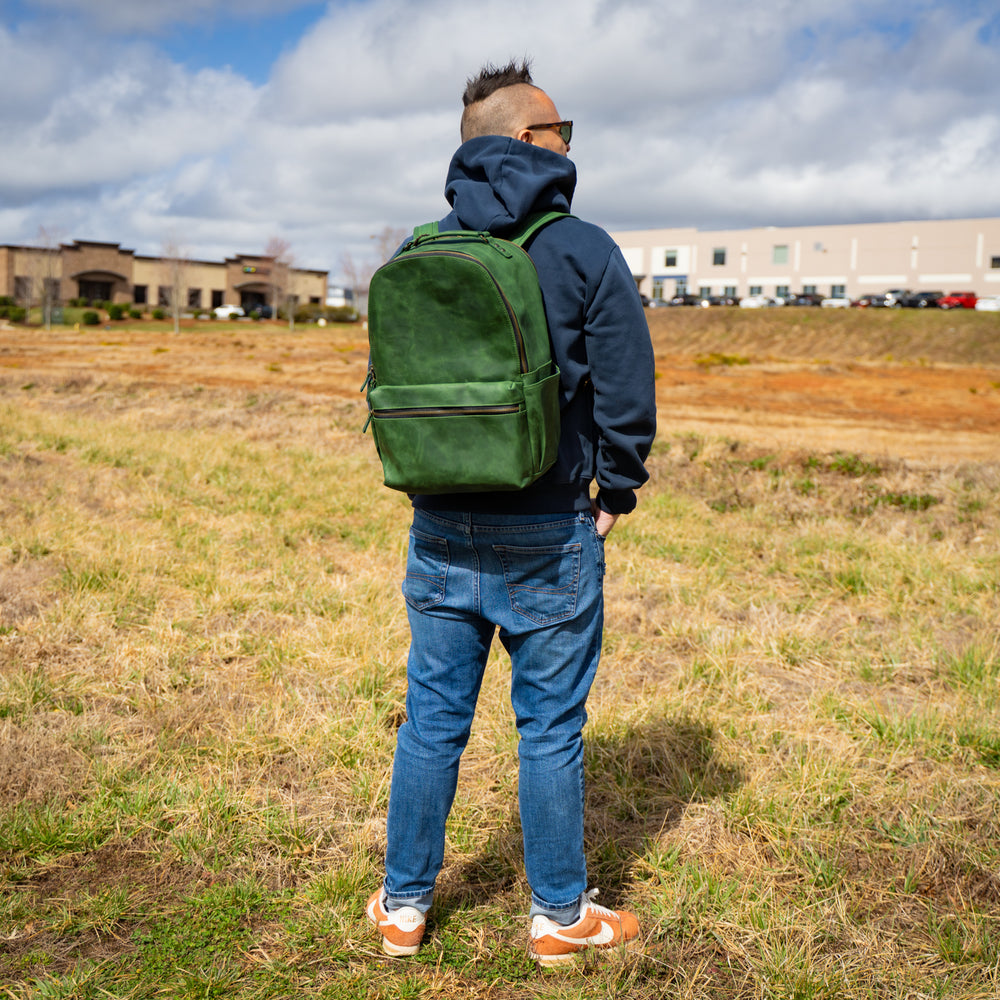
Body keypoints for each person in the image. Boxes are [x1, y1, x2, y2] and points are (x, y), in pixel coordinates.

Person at [366, 59, 656, 967]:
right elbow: (626, 389)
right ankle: (559, 918)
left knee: (433, 721)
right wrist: (619, 488)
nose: (569, 147)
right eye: (561, 133)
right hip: (549, 529)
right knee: (549, 730)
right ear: (527, 142)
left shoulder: (424, 254)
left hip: (440, 526)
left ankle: (405, 908)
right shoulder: (583, 248)